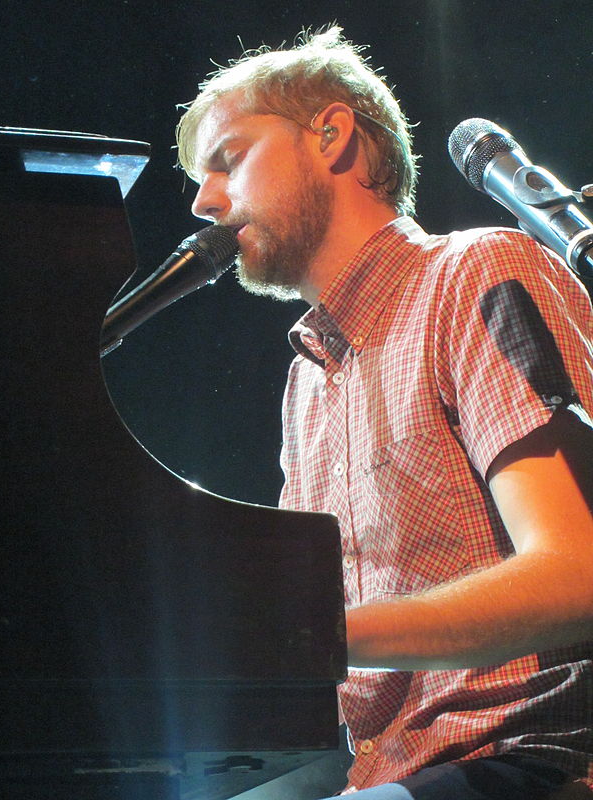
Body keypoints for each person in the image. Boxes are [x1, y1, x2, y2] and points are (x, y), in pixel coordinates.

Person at [176, 26, 593, 799]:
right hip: (386, 771)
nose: (203, 200)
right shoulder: (307, 382)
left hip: (532, 754)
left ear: (331, 135)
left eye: (228, 159)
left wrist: (314, 639)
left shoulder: (475, 270)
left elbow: (581, 572)